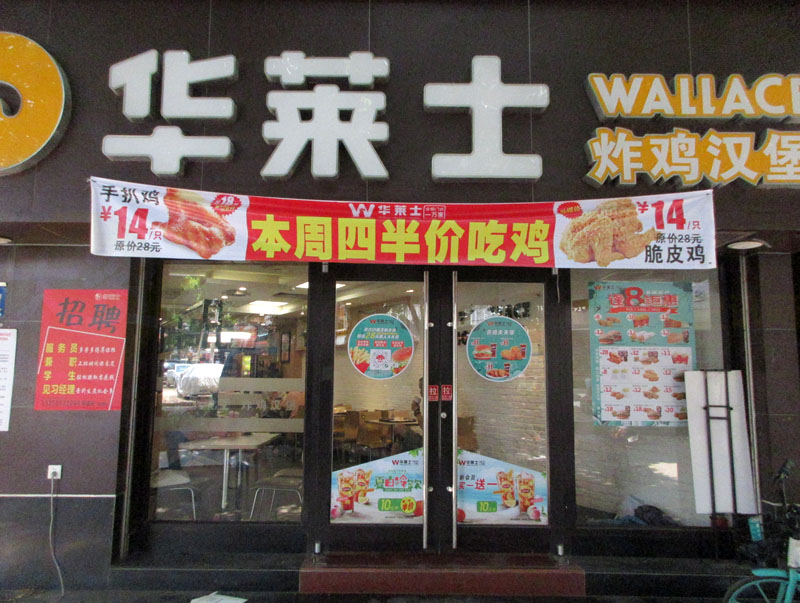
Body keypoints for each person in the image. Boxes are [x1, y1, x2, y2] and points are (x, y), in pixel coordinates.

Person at [391, 377, 424, 454]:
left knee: (399, 428)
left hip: (426, 442)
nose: (420, 392)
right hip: (424, 440)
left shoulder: (434, 404)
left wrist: (416, 411)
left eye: (421, 388)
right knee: (398, 444)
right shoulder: (428, 403)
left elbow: (425, 427)